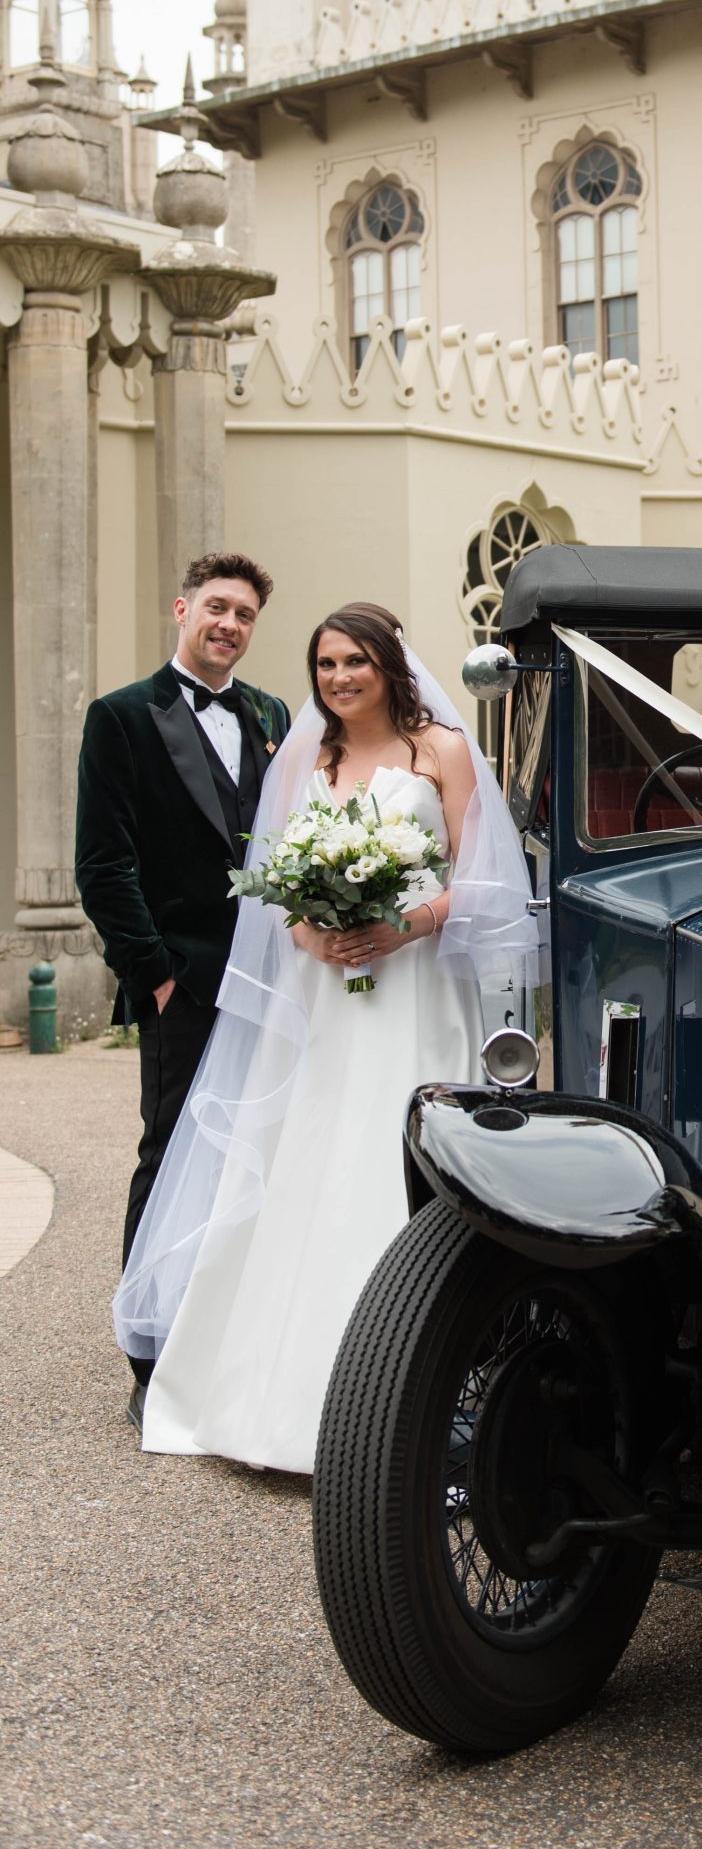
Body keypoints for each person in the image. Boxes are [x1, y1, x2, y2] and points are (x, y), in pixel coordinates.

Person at [112, 603, 541, 1475]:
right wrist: (312, 932)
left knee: (399, 1160)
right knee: (309, 1158)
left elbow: (489, 879)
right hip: (325, 996)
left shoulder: (443, 752)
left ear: (388, 666)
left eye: (355, 662)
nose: (339, 679)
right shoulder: (306, 756)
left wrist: (404, 925)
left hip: (416, 989)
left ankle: (414, 1398)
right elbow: (270, 883)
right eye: (325, 665)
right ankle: (275, 1402)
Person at [74, 553, 291, 1432]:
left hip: (277, 978)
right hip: (186, 982)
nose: (229, 625)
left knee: (256, 1157)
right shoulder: (122, 718)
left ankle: (230, 1335)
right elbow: (103, 865)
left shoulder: (273, 715)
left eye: (243, 614)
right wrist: (155, 975)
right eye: (216, 607)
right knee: (169, 1157)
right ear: (182, 609)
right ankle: (150, 1354)